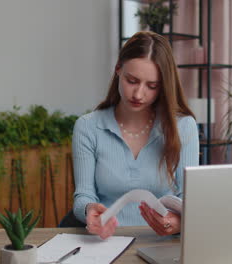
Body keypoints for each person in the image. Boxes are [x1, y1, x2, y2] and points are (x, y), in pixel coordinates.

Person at [72, 31, 199, 239]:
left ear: (163, 86)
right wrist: (88, 210)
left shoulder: (183, 127)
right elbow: (83, 195)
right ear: (118, 70)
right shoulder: (88, 127)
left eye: (152, 86)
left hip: (164, 244)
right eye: (132, 81)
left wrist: (179, 222)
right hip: (106, 243)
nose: (139, 94)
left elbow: (189, 197)